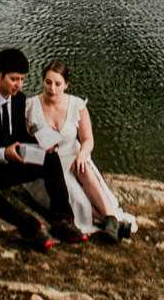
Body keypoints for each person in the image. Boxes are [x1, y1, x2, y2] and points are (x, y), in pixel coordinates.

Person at [0, 46, 82, 250]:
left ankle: (62, 220)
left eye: (22, 79)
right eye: (14, 79)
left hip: (3, 168)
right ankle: (29, 227)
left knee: (51, 159)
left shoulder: (19, 100)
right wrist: (3, 152)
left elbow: (19, 136)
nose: (19, 85)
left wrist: (41, 143)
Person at [19, 61, 136, 242]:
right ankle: (113, 225)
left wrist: (82, 154)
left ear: (66, 85)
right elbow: (23, 141)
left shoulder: (77, 105)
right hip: (49, 166)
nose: (52, 88)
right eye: (48, 82)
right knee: (80, 202)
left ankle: (111, 220)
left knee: (84, 169)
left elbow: (88, 139)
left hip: (73, 157)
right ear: (42, 81)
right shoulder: (30, 106)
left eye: (58, 84)